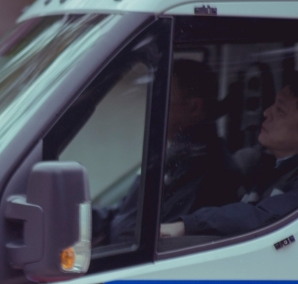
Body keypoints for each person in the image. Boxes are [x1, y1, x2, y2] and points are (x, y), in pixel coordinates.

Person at [161, 69, 298, 239]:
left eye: (280, 111)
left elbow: (262, 217)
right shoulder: (266, 162)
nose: (266, 112)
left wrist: (188, 225)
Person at [95, 59, 238, 246]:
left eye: (164, 99)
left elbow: (150, 234)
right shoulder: (178, 153)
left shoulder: (202, 163)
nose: (156, 107)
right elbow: (128, 212)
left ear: (194, 108)